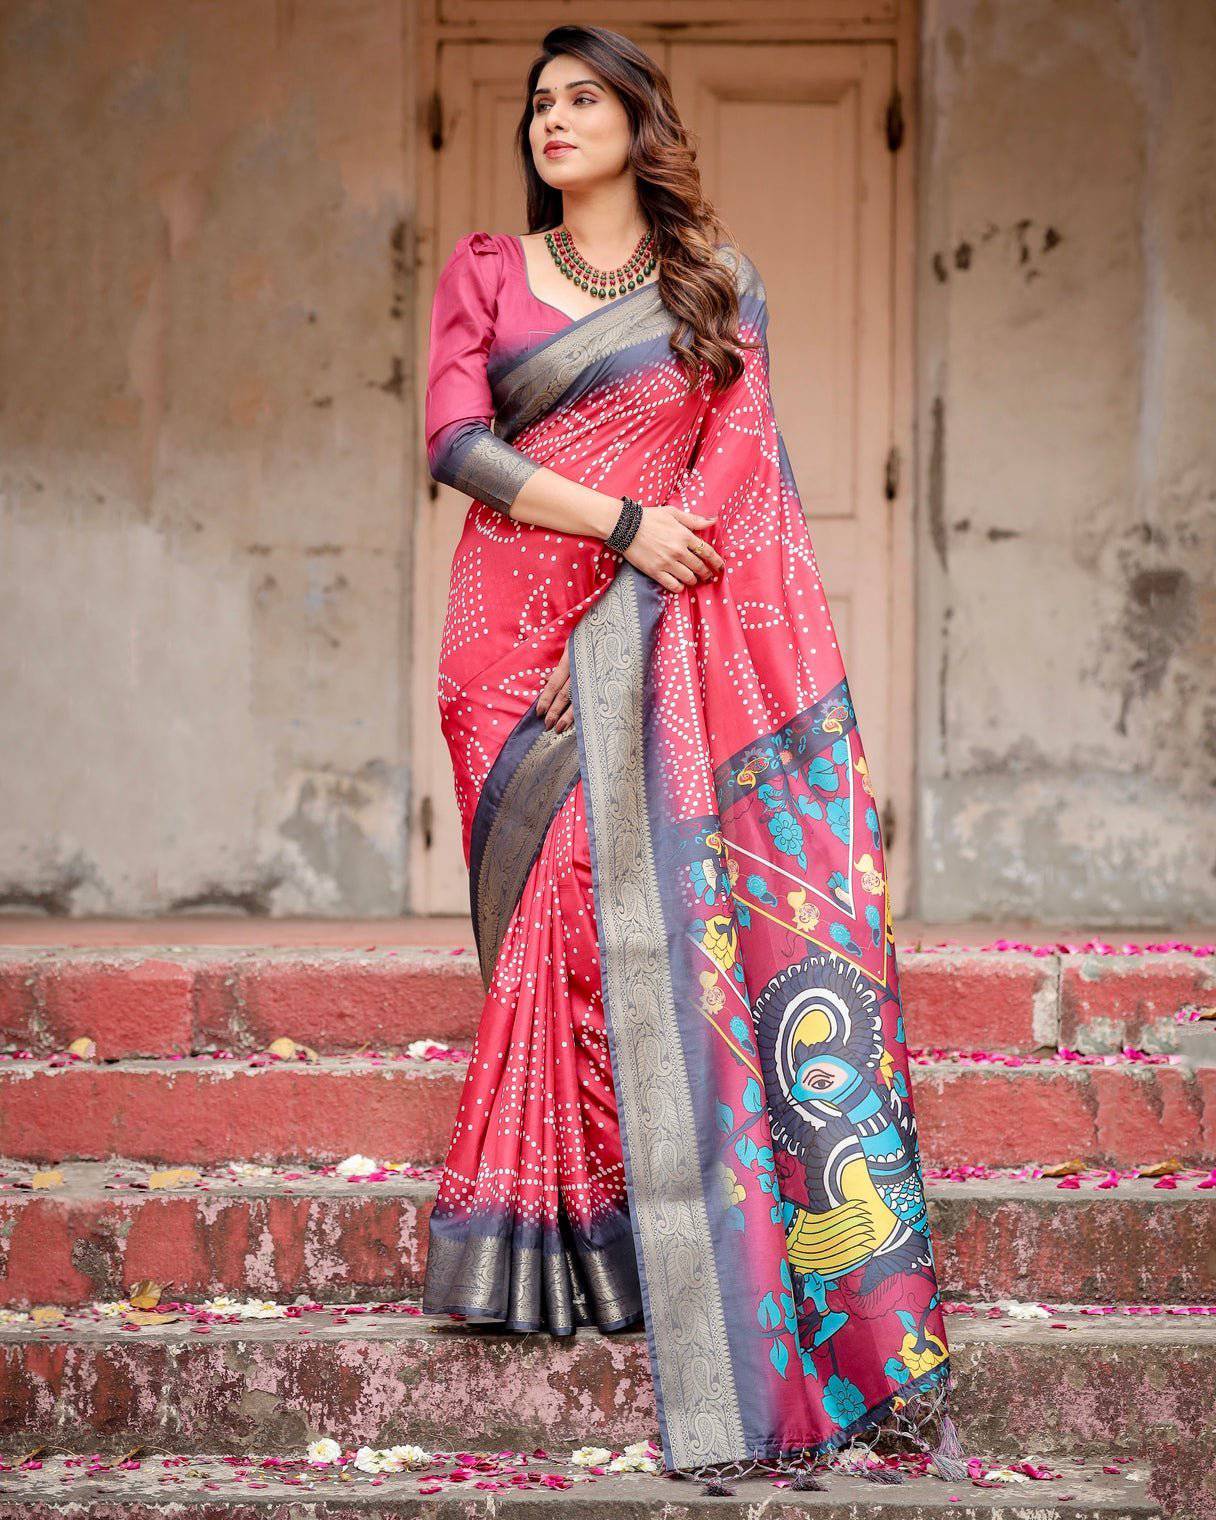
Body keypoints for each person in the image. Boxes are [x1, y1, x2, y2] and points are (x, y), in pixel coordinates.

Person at [420, 21, 966, 1492]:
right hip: (501, 644)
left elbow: (726, 483)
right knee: (548, 933)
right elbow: (454, 442)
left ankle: (625, 1252)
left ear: (638, 120)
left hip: (639, 641)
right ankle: (564, 1251)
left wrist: (621, 611)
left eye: (583, 98)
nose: (553, 119)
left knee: (626, 930)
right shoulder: (486, 272)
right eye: (540, 101)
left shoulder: (715, 289)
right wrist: (608, 527)